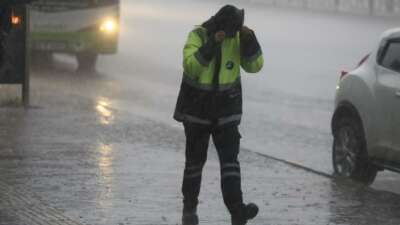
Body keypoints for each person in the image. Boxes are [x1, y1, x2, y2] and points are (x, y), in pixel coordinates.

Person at [173, 4, 264, 225]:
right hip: (197, 113)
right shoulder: (197, 35)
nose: (234, 33)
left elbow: (255, 66)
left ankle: (237, 211)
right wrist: (212, 43)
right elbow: (191, 66)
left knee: (230, 163)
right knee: (195, 163)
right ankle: (190, 209)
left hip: (226, 114)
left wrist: (250, 40)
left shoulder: (236, 39)